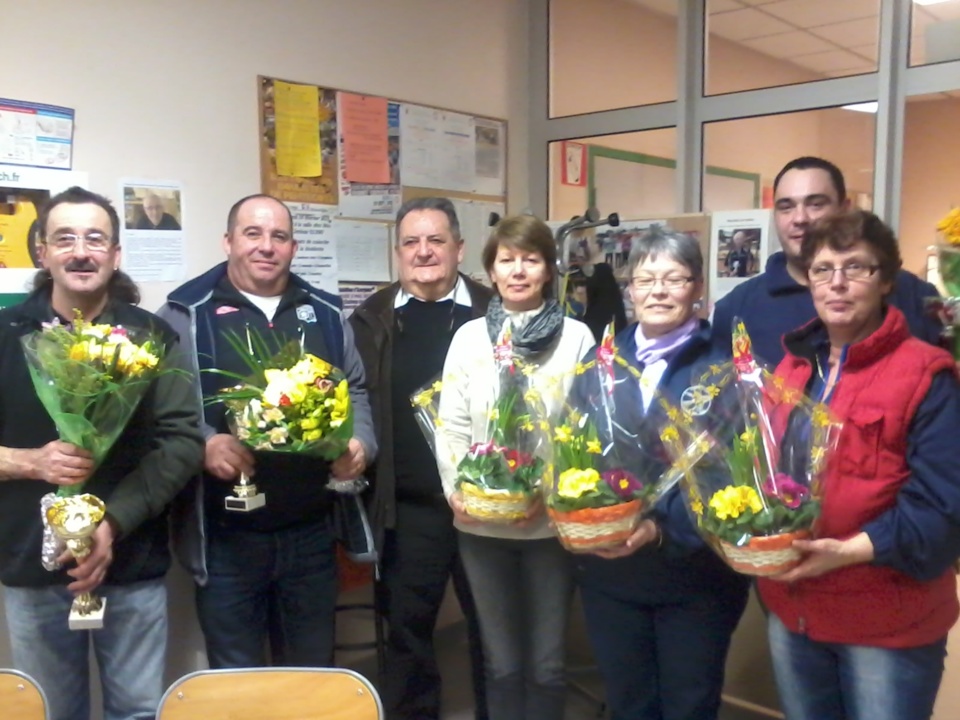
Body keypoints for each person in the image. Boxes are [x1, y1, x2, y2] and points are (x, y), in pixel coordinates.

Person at [0, 186, 204, 720]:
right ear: (42, 251)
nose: (81, 252)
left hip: (132, 564)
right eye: (65, 239)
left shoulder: (153, 337)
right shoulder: (4, 334)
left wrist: (112, 523)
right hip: (31, 568)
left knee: (137, 711)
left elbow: (182, 442)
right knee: (50, 712)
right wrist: (28, 462)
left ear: (115, 254)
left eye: (95, 239)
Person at [157, 193, 376, 668]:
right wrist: (203, 443)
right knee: (237, 680)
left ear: (293, 247)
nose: (266, 246)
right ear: (228, 241)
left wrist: (360, 442)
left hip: (312, 533)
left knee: (311, 673)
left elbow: (355, 388)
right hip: (226, 539)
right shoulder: (184, 313)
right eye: (252, 233)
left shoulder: (325, 312)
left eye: (279, 236)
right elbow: (159, 409)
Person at [759, 210, 960, 720]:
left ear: (886, 279)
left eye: (857, 268)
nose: (838, 283)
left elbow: (944, 508)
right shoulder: (791, 367)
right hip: (793, 610)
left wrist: (850, 551)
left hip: (885, 624)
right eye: (823, 269)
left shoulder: (926, 374)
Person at [573, 229, 749, 720]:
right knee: (628, 702)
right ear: (629, 288)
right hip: (611, 573)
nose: (658, 291)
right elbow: (575, 450)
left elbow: (733, 474)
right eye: (646, 279)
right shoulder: (602, 359)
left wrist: (661, 527)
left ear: (698, 289)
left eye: (674, 279)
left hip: (696, 577)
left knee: (689, 704)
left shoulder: (724, 366)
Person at [436, 215, 595, 720]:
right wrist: (456, 490)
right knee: (501, 664)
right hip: (480, 525)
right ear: (491, 270)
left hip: (549, 526)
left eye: (531, 259)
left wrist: (546, 493)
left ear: (548, 269)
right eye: (507, 260)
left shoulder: (576, 338)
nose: (518, 270)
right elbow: (451, 425)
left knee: (547, 665)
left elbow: (585, 431)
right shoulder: (469, 339)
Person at [350, 197, 491, 720]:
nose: (423, 251)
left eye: (436, 240)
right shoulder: (369, 319)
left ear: (459, 248)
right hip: (408, 511)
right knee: (407, 638)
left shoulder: (494, 311)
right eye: (411, 242)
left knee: (495, 635)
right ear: (398, 252)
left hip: (488, 508)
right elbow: (353, 400)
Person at [711, 157, 941, 364]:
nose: (800, 218)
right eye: (786, 207)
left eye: (816, 204)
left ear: (845, 208)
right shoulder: (736, 308)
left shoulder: (914, 295)